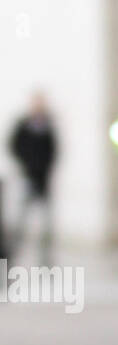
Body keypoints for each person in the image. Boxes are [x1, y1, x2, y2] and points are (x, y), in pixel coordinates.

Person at [8, 92, 56, 260]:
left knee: (45, 223)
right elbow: (14, 145)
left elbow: (53, 150)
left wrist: (46, 167)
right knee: (21, 221)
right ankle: (13, 256)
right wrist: (25, 164)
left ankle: (45, 258)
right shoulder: (23, 124)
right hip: (27, 177)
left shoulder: (48, 125)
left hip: (43, 179)